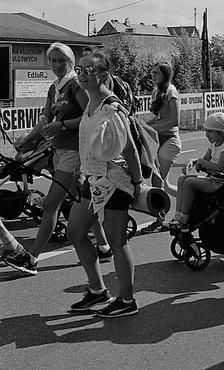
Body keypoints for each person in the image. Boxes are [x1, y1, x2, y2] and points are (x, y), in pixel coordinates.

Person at [7, 42, 110, 276]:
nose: (56, 65)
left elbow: (89, 116)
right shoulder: (55, 88)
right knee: (81, 199)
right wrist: (28, 140)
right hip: (58, 152)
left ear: (70, 61)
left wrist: (61, 125)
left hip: (75, 153)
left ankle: (31, 259)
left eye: (61, 60)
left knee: (52, 205)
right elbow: (45, 119)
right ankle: (104, 247)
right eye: (52, 61)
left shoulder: (76, 84)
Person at [66, 52, 143, 318]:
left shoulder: (111, 106)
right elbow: (90, 142)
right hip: (92, 177)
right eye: (80, 69)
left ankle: (127, 300)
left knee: (117, 240)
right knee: (75, 232)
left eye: (89, 69)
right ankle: (98, 290)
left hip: (114, 180)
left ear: (104, 74)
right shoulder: (89, 104)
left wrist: (138, 183)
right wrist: (81, 167)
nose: (83, 74)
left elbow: (130, 149)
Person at [165, 112, 224, 230]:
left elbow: (219, 167)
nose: (206, 135)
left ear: (221, 131)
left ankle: (184, 218)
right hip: (213, 178)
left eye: (210, 131)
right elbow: (204, 160)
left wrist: (200, 162)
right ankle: (177, 216)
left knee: (189, 183)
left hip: (222, 182)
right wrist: (191, 161)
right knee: (182, 179)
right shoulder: (213, 144)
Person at [140, 61, 182, 234]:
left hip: (170, 140)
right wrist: (141, 124)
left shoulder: (172, 92)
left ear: (165, 74)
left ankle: (159, 221)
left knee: (157, 181)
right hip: (158, 139)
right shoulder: (157, 91)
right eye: (152, 72)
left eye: (156, 73)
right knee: (164, 184)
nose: (153, 75)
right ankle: (189, 199)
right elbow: (157, 118)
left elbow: (175, 121)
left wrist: (150, 129)